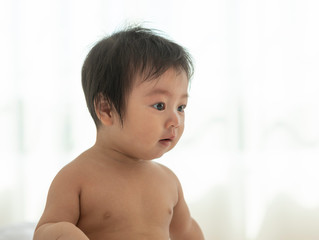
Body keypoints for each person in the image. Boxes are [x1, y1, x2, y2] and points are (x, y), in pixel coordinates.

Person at [33, 26, 205, 240]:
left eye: (181, 107)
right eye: (160, 106)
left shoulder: (167, 180)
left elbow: (186, 232)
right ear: (106, 109)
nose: (176, 120)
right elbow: (45, 229)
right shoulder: (76, 178)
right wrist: (61, 231)